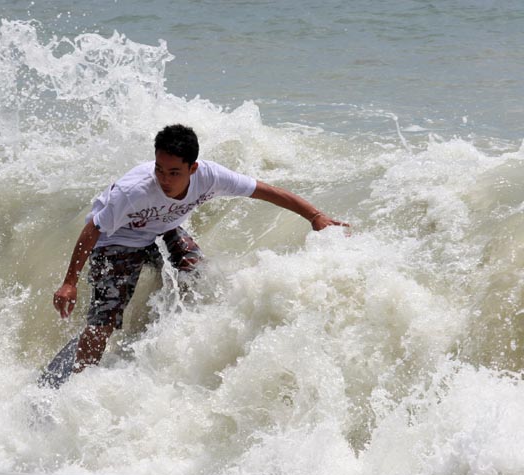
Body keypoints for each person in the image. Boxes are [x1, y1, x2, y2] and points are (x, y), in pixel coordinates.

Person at [52, 124, 348, 374]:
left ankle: (162, 337)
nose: (164, 180)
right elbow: (93, 228)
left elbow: (265, 191)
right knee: (104, 321)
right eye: (159, 169)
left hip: (164, 228)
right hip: (118, 240)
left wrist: (315, 216)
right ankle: (80, 375)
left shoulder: (211, 177)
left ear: (193, 168)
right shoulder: (134, 190)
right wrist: (69, 282)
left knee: (197, 273)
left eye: (174, 172)